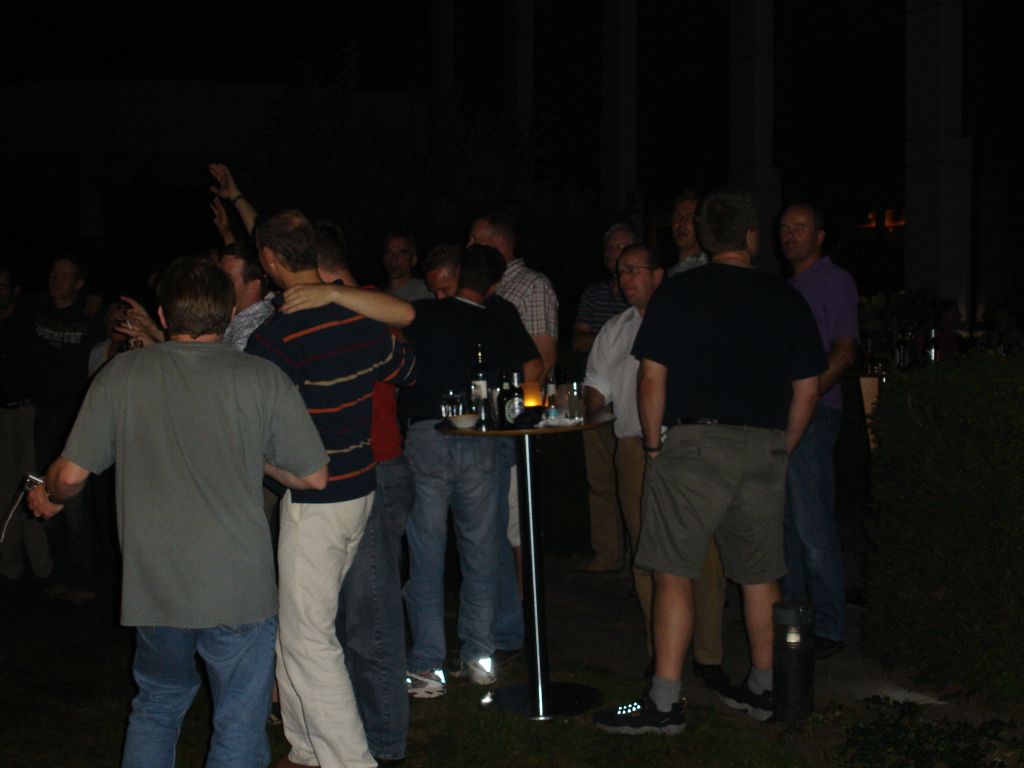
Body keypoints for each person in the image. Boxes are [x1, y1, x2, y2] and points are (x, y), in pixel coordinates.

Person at [27, 257, 329, 767]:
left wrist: (50, 495)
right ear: (229, 314)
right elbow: (313, 476)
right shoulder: (262, 377)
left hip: (157, 587)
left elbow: (71, 476)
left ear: (164, 316)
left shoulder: (123, 375)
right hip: (238, 588)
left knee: (158, 705)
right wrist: (251, 453)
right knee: (239, 719)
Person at [594, 190, 823, 733]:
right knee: (760, 574)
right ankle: (765, 687)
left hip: (693, 445)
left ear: (703, 237)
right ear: (751, 237)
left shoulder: (679, 293)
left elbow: (651, 377)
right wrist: (784, 445)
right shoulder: (785, 297)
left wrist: (653, 446)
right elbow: (808, 387)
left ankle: (665, 702)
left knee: (674, 570)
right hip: (763, 445)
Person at [247, 209, 415, 768]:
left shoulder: (274, 339)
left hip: (317, 498)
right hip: (360, 486)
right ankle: (305, 748)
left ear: (269, 260)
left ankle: (349, 759)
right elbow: (406, 368)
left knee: (308, 639)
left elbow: (255, 424)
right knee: (298, 629)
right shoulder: (356, 319)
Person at [402, 245, 536, 699]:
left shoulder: (424, 314)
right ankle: (480, 657)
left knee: (426, 555)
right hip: (481, 438)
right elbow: (528, 369)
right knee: (480, 553)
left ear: (457, 275)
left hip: (429, 435)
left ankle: (427, 667)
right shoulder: (498, 320)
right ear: (493, 286)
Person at [778, 203, 859, 658]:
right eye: (784, 228)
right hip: (787, 415)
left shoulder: (835, 281)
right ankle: (793, 620)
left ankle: (828, 626)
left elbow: (844, 352)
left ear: (820, 235)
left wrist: (806, 398)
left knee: (811, 523)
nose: (790, 235)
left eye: (800, 228)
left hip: (816, 413)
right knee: (787, 525)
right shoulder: (787, 287)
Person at [31, 255, 100, 602]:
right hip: (42, 416)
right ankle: (60, 573)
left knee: (73, 501)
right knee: (43, 490)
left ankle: (84, 580)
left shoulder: (90, 318)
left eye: (64, 275)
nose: (55, 280)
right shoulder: (38, 311)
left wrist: (99, 301)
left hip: (74, 419)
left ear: (79, 283)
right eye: (53, 274)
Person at [573, 222, 637, 574]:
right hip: (597, 394)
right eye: (611, 248)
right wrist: (611, 338)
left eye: (623, 248)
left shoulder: (643, 295)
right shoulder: (594, 294)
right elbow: (577, 340)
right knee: (600, 479)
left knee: (634, 478)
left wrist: (606, 339)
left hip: (631, 395)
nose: (616, 255)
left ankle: (637, 557)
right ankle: (607, 553)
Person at [0, 264, 52, 585]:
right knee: (5, 490)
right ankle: (9, 565)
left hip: (27, 413)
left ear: (15, 290)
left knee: (32, 486)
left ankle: (43, 568)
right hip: (2, 415)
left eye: (4, 285)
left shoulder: (30, 322)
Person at [468, 212, 558, 380]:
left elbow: (544, 360)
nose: (469, 246)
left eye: (476, 240)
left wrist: (521, 396)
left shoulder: (533, 285)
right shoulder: (481, 285)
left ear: (499, 243)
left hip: (519, 394)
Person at [220, 242, 274, 351]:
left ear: (253, 286)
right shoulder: (232, 316)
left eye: (228, 279)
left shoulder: (253, 329)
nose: (218, 283)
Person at [666, 191, 707, 276]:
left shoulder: (707, 271)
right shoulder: (668, 272)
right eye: (677, 216)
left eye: (689, 217)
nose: (681, 223)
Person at [383, 232, 433, 302]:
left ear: (413, 260)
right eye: (389, 252)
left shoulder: (426, 289)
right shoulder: (380, 296)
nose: (394, 258)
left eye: (402, 253)